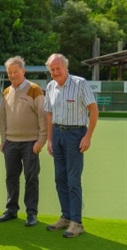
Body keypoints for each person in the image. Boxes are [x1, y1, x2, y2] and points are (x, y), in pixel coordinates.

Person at [44, 53, 98, 238]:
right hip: (57, 134)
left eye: (58, 68)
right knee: (60, 179)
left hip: (75, 135)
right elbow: (49, 114)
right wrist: (50, 140)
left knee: (73, 180)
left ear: (66, 67)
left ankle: (77, 222)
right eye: (52, 69)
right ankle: (65, 217)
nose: (55, 72)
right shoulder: (50, 86)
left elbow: (93, 110)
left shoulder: (79, 83)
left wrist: (88, 137)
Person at [0, 56, 47, 226]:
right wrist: (4, 140)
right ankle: (11, 210)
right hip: (10, 142)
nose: (12, 75)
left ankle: (31, 213)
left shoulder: (35, 89)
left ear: (23, 71)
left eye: (15, 72)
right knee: (11, 177)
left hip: (31, 142)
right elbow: (2, 119)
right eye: (9, 72)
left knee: (31, 178)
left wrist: (41, 140)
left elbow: (43, 117)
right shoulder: (6, 92)